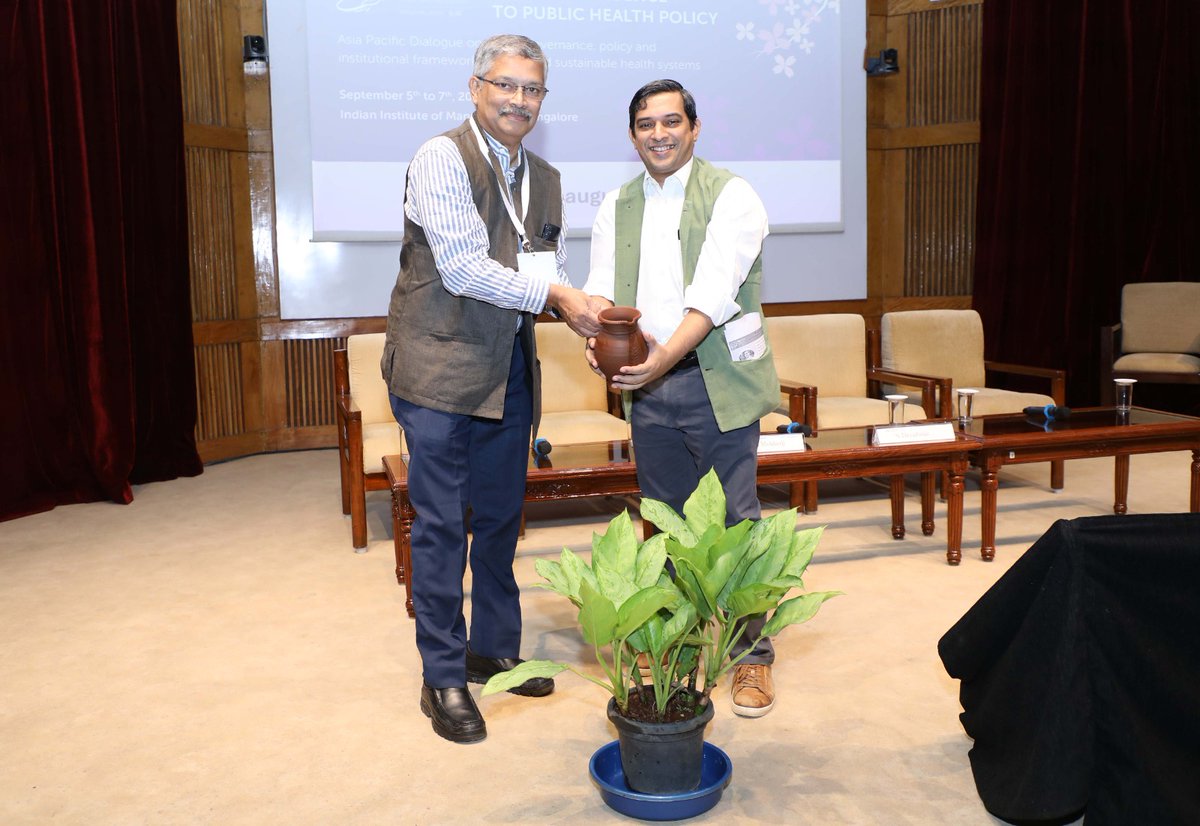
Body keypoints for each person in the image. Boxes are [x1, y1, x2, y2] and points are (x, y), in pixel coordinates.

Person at [382, 34, 600, 744]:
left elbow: (551, 267)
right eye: (503, 85)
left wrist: (594, 327)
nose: (517, 100)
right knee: (443, 527)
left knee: (501, 519)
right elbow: (464, 270)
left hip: (508, 372)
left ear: (542, 99)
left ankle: (492, 651)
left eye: (531, 89)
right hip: (439, 372)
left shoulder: (548, 178)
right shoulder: (441, 158)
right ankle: (442, 675)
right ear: (475, 88)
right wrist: (567, 299)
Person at [583, 79, 781, 717]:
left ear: (694, 128)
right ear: (633, 134)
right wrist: (594, 335)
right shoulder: (616, 205)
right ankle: (678, 647)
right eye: (646, 124)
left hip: (714, 379)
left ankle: (753, 658)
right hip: (648, 390)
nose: (659, 134)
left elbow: (715, 291)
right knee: (663, 521)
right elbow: (599, 293)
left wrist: (665, 357)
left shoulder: (733, 196)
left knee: (736, 522)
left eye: (672, 122)